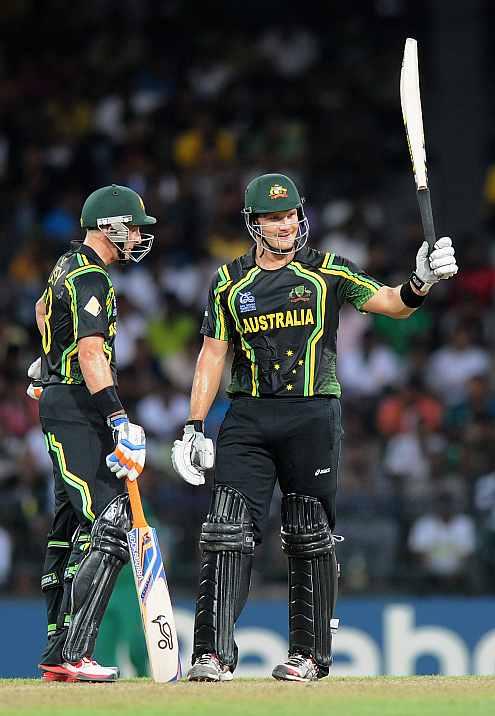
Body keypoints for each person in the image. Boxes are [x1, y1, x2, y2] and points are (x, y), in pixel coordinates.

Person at [171, 173, 458, 683]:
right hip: (249, 416)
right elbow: (213, 352)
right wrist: (194, 425)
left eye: (290, 215)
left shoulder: (329, 271)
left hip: (313, 415)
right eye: (273, 218)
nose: (284, 225)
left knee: (308, 534)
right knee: (224, 531)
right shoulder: (229, 281)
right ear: (253, 224)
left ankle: (310, 656)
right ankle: (211, 655)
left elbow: (392, 304)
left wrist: (422, 281)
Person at [29, 184, 155, 682]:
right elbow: (89, 353)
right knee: (114, 522)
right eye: (135, 226)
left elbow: (43, 310)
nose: (140, 235)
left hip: (64, 402)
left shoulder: (66, 265)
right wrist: (118, 419)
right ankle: (71, 651)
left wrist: (44, 365)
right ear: (112, 227)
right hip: (79, 410)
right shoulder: (92, 277)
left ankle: (58, 648)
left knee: (69, 533)